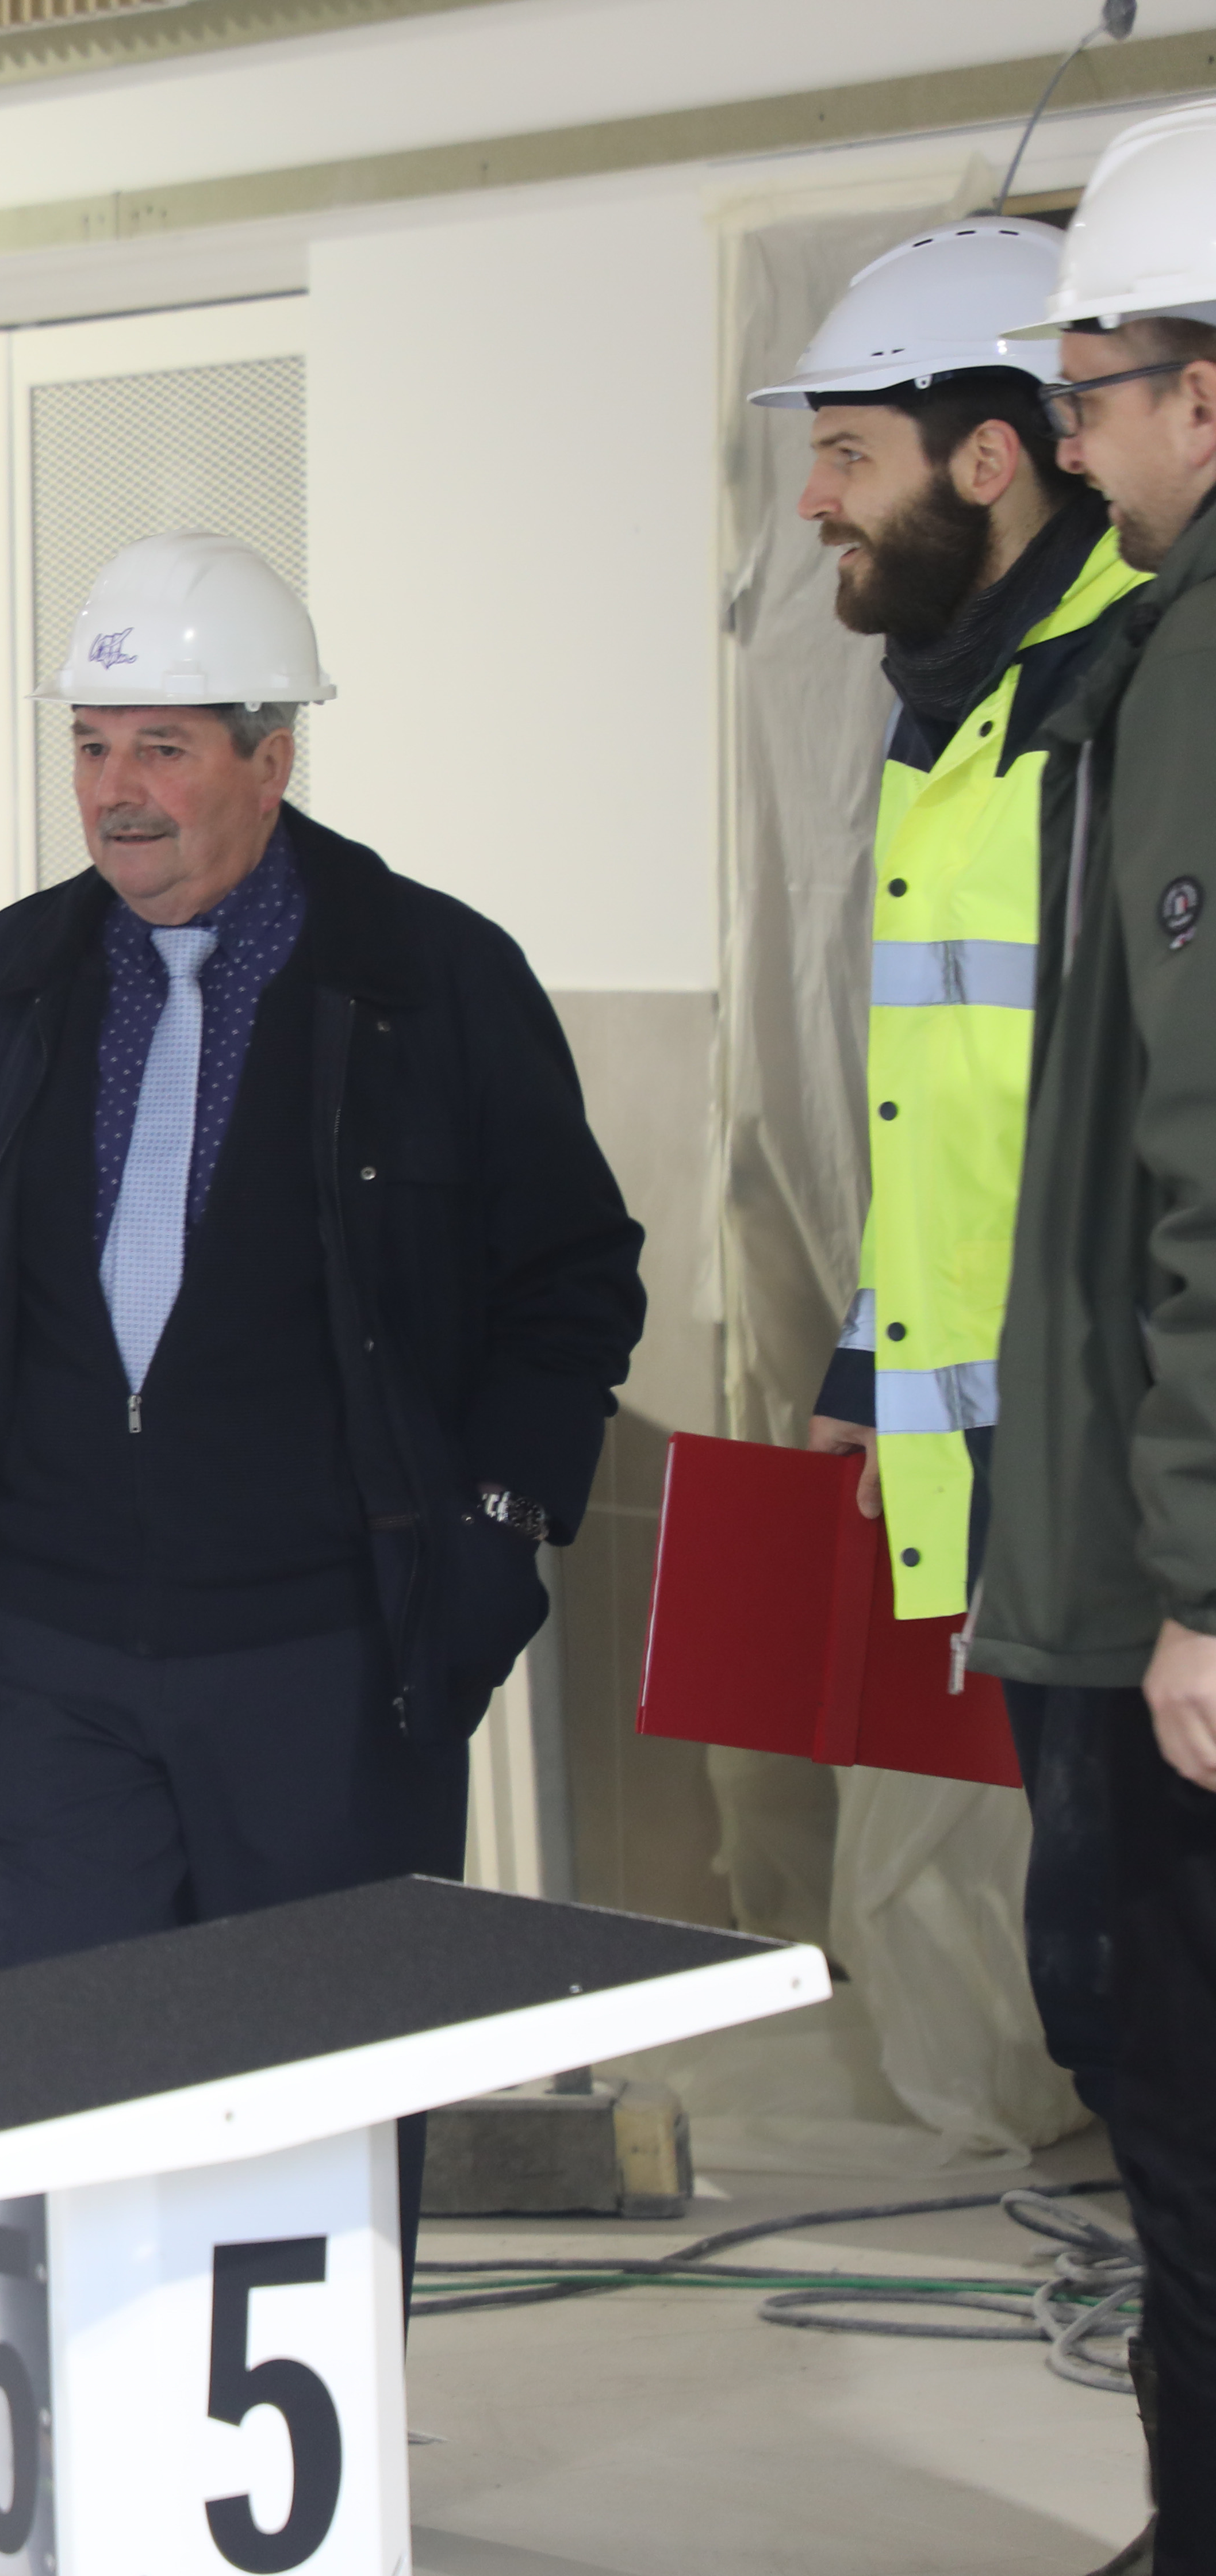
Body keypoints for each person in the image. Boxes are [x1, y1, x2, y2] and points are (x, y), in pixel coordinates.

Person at [0, 534, 646, 2223]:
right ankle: (109, 2395)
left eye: (165, 747)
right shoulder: (19, 974)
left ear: (273, 761)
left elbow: (572, 1279)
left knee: (316, 2124)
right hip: (55, 1653)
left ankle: (295, 2409)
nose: (115, 792)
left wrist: (497, 1529)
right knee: (79, 2106)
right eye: (90, 745)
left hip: (323, 1661)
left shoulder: (432, 979)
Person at [759, 218, 1141, 2132]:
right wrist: (870, 1354)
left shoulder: (1126, 690)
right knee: (1105, 1953)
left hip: (1129, 1458)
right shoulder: (954, 701)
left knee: (1139, 1955)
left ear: (991, 458)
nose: (814, 499)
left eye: (849, 452)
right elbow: (958, 1098)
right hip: (1019, 1450)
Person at [969, 97, 1216, 2574]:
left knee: (1180, 2091)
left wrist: (1202, 1583)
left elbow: (1212, 1153)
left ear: (1208, 395)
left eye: (1096, 388)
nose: (1071, 438)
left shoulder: (1198, 669)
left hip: (1174, 1592)